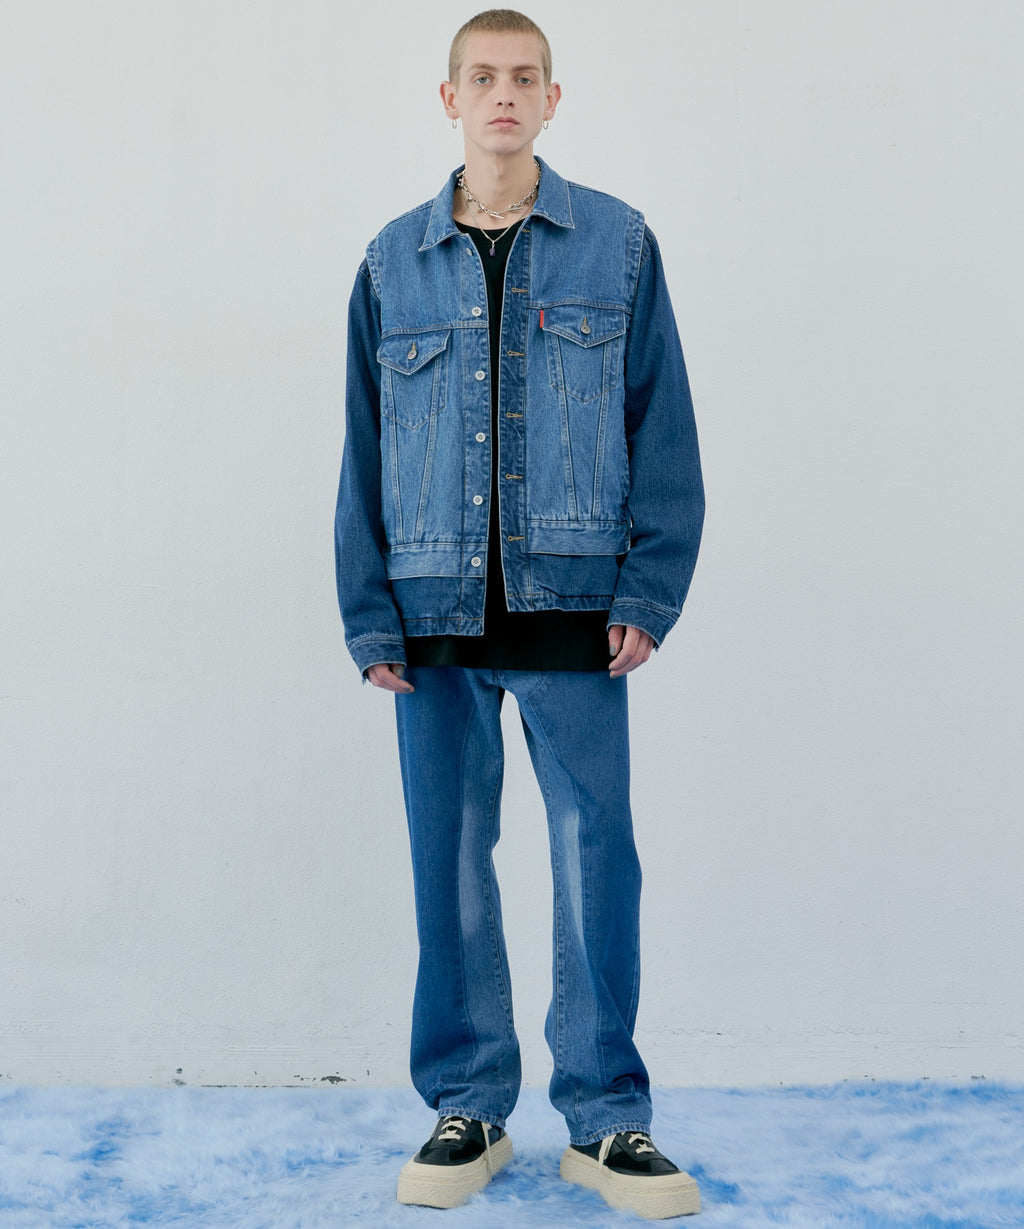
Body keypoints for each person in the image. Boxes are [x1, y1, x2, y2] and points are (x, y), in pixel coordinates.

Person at [335, 8, 705, 1219]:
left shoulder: (618, 247)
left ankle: (606, 1117)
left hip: (576, 611)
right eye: (483, 77)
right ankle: (469, 1104)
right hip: (431, 617)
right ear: (449, 100)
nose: (504, 94)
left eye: (524, 77)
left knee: (596, 859)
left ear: (553, 98)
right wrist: (368, 613)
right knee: (448, 861)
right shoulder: (391, 263)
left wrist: (648, 588)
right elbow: (362, 447)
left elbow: (663, 425)